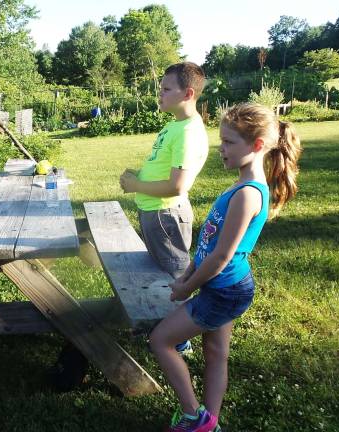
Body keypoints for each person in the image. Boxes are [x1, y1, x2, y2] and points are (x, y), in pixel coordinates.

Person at [150, 102, 302, 432]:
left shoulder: (248, 194)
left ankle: (194, 417)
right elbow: (208, 247)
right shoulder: (242, 185)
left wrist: (186, 287)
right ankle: (211, 423)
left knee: (161, 340)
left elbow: (220, 258)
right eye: (222, 140)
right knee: (216, 352)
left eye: (230, 142)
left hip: (223, 290)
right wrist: (190, 271)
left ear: (257, 145)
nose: (222, 148)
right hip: (227, 287)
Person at [119, 62, 209, 355]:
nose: (160, 94)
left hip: (165, 214)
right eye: (161, 89)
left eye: (167, 89)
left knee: (174, 277)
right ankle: (165, 326)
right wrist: (140, 176)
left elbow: (176, 186)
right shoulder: (175, 125)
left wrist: (135, 186)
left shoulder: (187, 133)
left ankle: (180, 340)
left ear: (188, 93)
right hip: (156, 213)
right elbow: (164, 173)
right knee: (161, 272)